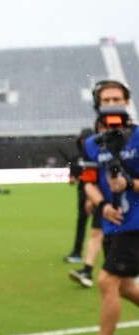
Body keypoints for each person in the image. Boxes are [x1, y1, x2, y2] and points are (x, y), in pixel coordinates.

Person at [68, 80, 139, 335]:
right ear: (98, 105)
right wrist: (102, 205)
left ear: (127, 101)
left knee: (107, 281)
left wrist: (130, 183)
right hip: (113, 224)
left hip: (136, 224)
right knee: (123, 287)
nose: (112, 104)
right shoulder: (92, 144)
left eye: (117, 99)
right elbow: (88, 183)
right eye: (107, 100)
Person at [68, 117, 106, 287]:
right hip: (102, 198)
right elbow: (90, 180)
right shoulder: (94, 150)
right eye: (101, 127)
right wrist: (93, 198)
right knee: (96, 233)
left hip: (128, 199)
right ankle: (88, 270)